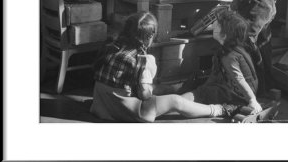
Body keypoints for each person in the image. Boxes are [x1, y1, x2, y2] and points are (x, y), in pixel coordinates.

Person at [90, 12, 236, 122]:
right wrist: (153, 92)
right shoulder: (143, 60)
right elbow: (144, 95)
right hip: (127, 110)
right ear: (149, 37)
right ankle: (219, 110)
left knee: (159, 88)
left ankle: (181, 89)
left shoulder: (111, 48)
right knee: (174, 101)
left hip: (102, 106)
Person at [180, 7, 262, 114]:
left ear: (226, 34)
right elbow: (215, 74)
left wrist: (252, 100)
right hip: (234, 87)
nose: (214, 25)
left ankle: (177, 103)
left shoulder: (229, 56)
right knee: (198, 82)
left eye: (218, 24)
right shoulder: (230, 48)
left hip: (238, 94)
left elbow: (239, 79)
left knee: (201, 93)